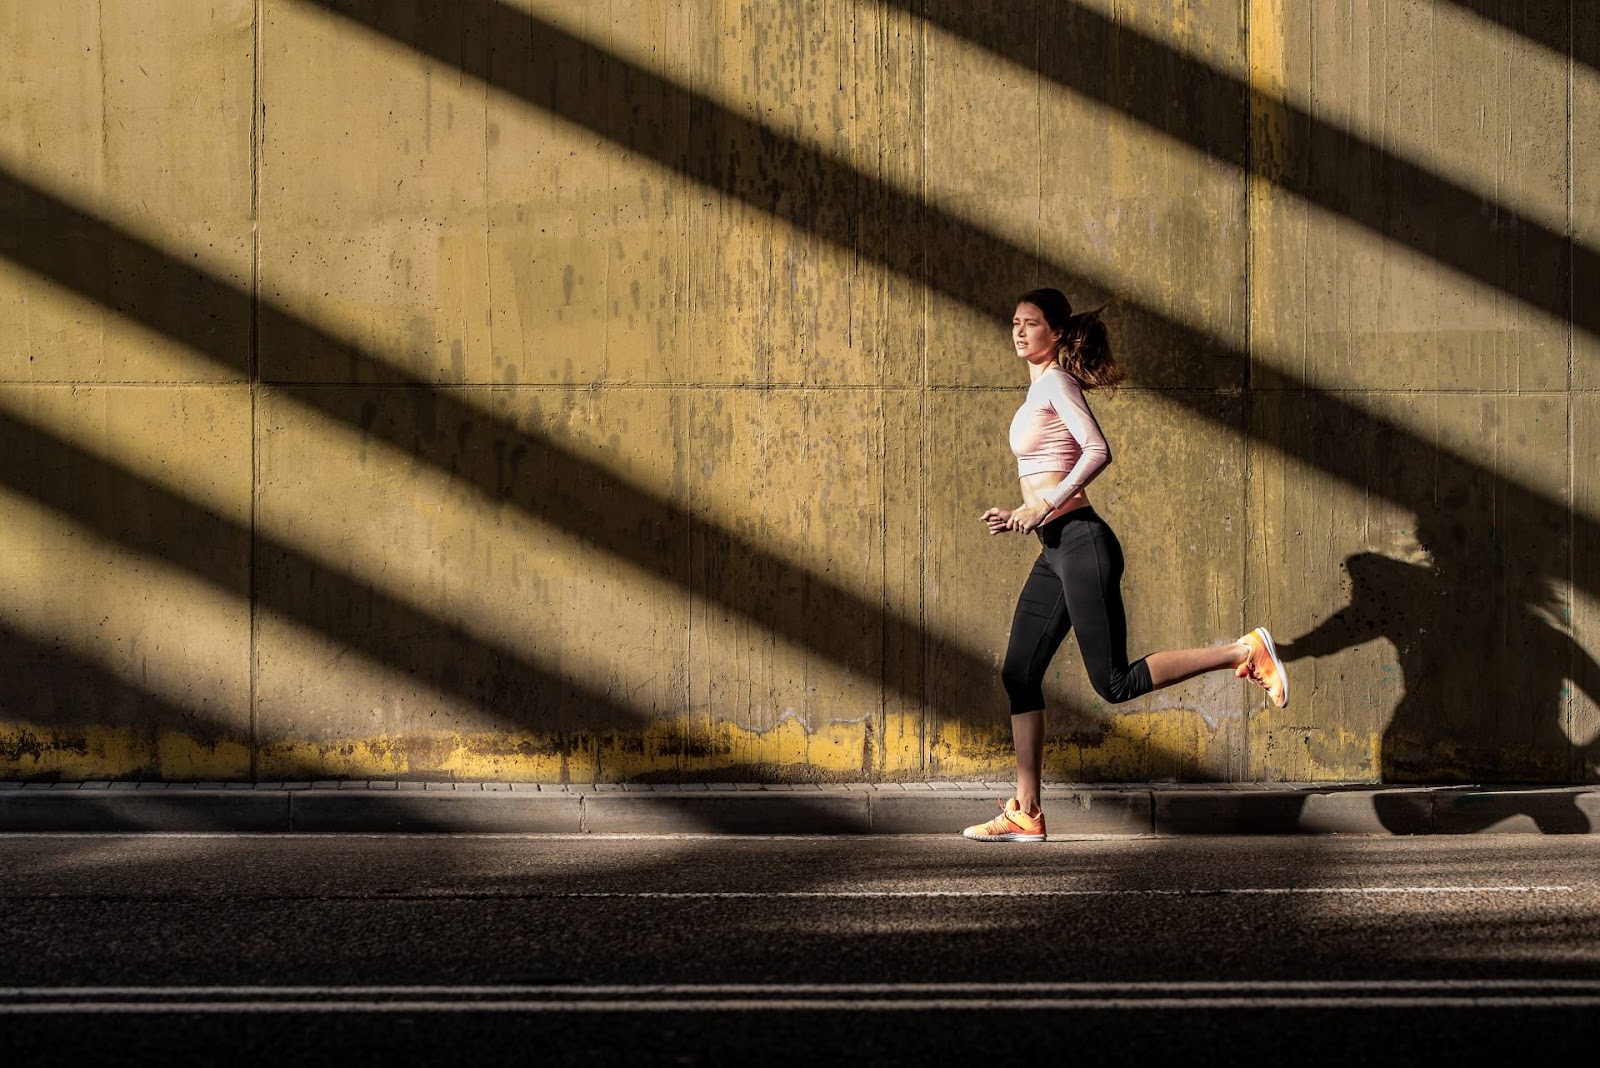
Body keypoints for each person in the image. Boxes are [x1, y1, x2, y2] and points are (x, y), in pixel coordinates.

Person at [961, 288, 1288, 843]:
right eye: (1014, 322)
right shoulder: (1037, 389)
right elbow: (1045, 469)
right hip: (1055, 549)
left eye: (1031, 324)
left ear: (1055, 333)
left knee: (1113, 683)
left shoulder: (1058, 384)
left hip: (1083, 544)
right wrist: (1024, 510)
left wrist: (1043, 503)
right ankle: (1027, 810)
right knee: (1019, 674)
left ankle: (1244, 650)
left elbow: (1097, 450)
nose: (1018, 332)